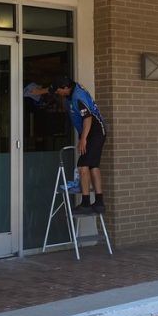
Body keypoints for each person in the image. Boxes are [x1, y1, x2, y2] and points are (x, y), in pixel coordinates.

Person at [49, 75, 106, 215]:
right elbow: (50, 89)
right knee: (93, 165)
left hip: (94, 131)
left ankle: (86, 203)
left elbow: (87, 118)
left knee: (82, 165)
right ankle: (99, 203)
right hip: (96, 132)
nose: (58, 94)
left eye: (58, 91)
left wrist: (83, 139)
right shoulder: (71, 89)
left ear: (65, 88)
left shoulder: (77, 96)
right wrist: (37, 92)